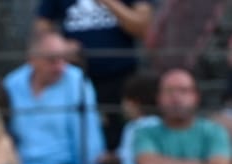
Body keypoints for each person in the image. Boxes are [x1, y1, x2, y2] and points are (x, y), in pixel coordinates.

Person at [33, 0, 153, 150]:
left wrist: (109, 3)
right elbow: (41, 27)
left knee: (123, 136)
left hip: (120, 78)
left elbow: (143, 27)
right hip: (72, 79)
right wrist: (61, 45)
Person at [3, 30, 104, 164]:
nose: (60, 67)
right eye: (52, 60)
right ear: (32, 59)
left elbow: (87, 138)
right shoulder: (12, 83)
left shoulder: (76, 81)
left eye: (64, 59)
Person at [132, 68, 231, 164]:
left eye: (183, 91)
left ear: (196, 96)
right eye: (169, 91)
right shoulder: (144, 133)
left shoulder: (214, 132)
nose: (176, 97)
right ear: (158, 98)